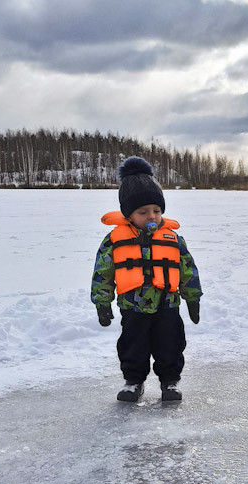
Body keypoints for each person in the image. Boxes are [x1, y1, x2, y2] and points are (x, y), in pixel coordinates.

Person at [91, 157, 202, 402]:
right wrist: (102, 302)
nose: (151, 216)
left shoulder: (173, 239)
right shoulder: (114, 240)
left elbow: (187, 270)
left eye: (156, 210)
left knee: (171, 344)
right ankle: (133, 382)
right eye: (143, 212)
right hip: (133, 306)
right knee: (133, 346)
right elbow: (103, 273)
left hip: (168, 304)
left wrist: (193, 298)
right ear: (128, 214)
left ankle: (170, 382)